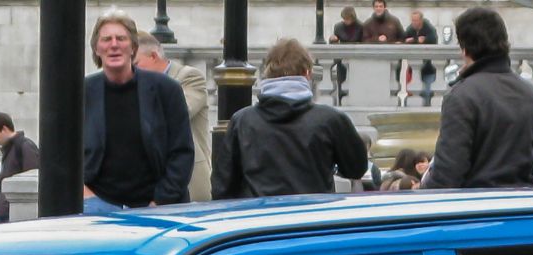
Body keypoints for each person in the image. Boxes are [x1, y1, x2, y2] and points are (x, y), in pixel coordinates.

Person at [213, 39, 369, 198]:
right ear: (307, 73)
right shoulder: (330, 119)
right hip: (312, 217)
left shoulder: (242, 120)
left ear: (267, 72)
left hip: (259, 216)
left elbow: (223, 186)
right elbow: (356, 168)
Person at [83, 10, 195, 212]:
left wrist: (159, 203)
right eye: (106, 39)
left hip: (158, 208)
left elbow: (182, 153)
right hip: (97, 209)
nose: (114, 45)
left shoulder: (167, 89)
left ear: (133, 46)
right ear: (96, 49)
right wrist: (87, 196)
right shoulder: (82, 93)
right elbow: (63, 151)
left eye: (121, 38)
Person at [418, 6, 533, 189]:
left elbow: (447, 174)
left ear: (465, 49)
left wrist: (423, 188)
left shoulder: (462, 96)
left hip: (477, 209)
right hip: (522, 206)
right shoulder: (530, 93)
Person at [136, 32, 213, 200]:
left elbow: (179, 112)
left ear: (154, 56)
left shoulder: (189, 77)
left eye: (136, 63)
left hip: (189, 183)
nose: (132, 70)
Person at [0, 112, 41, 221]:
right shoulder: (12, 148)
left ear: (4, 129)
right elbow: (12, 177)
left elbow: (31, 181)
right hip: (7, 210)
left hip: (14, 213)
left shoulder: (25, 146)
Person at [403, 10, 438, 106]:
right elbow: (404, 39)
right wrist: (412, 40)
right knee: (412, 92)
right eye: (412, 20)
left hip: (428, 67)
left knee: (427, 91)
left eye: (416, 20)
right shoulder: (410, 29)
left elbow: (433, 40)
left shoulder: (429, 29)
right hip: (413, 67)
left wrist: (422, 40)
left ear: (421, 20)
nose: (414, 22)